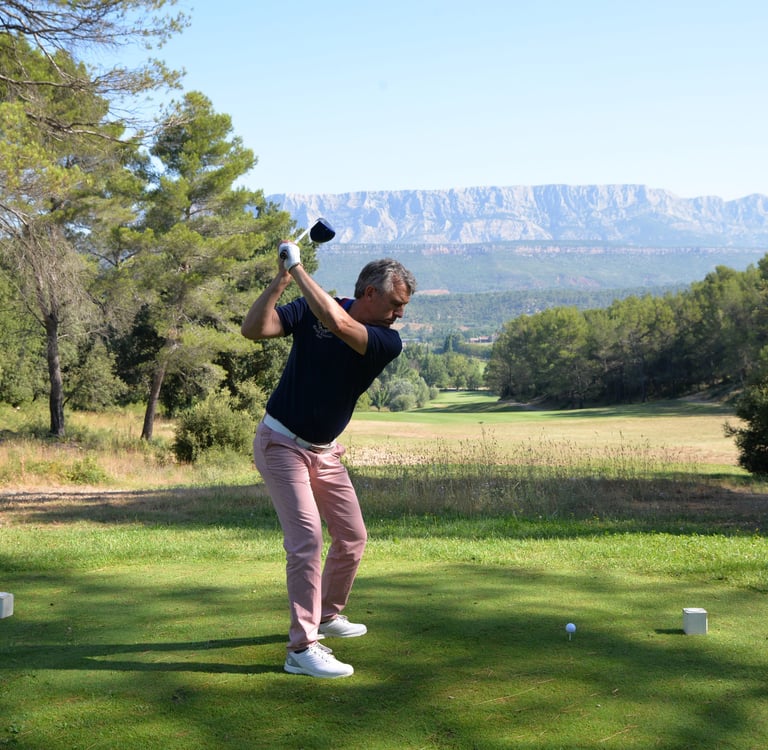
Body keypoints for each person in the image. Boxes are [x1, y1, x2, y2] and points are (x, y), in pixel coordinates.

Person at [241, 238, 416, 678]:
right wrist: (280, 282)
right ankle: (301, 649)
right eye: (396, 303)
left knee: (352, 538)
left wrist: (298, 268)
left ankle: (325, 613)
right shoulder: (311, 309)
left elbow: (337, 323)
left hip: (324, 452)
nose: (400, 314)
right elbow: (254, 329)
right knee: (306, 542)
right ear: (370, 294)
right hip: (281, 444)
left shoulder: (384, 341)